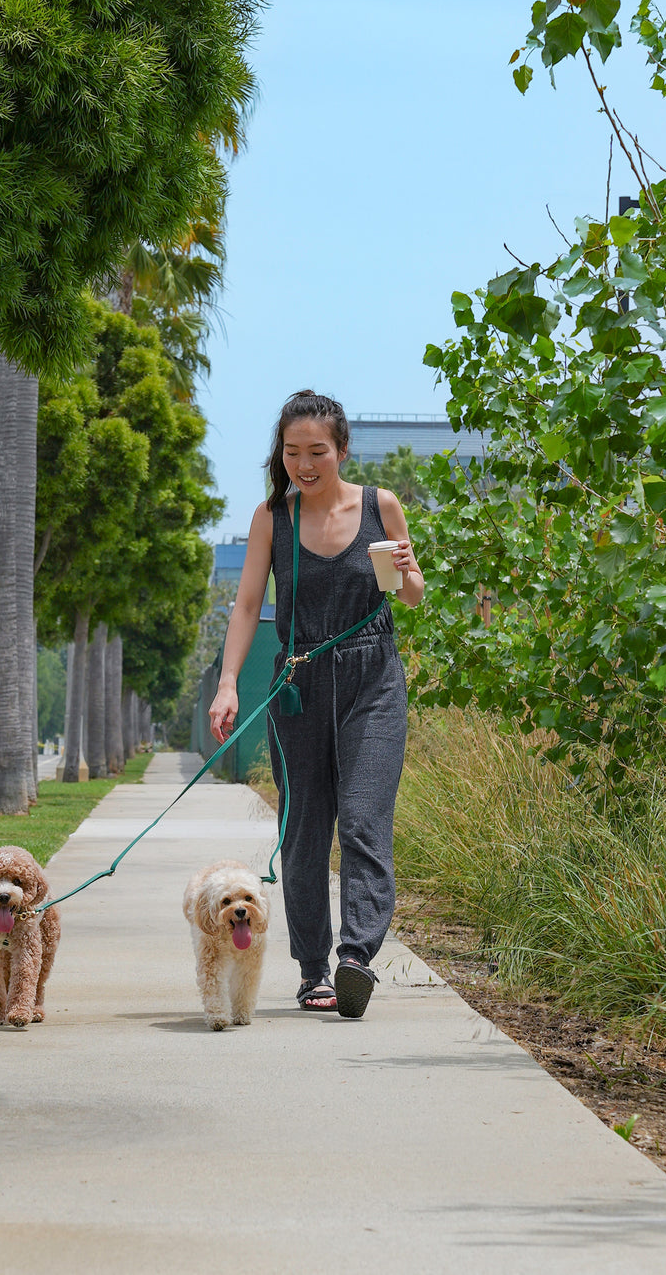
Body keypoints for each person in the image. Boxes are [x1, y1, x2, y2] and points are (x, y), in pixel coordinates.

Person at [208, 390, 424, 1017]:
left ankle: (355, 956)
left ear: (342, 450)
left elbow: (409, 597)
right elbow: (248, 605)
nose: (305, 463)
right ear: (281, 453)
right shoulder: (271, 517)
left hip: (373, 681)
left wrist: (409, 570)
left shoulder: (382, 508)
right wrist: (228, 683)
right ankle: (312, 970)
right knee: (304, 833)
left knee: (362, 820)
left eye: (317, 451)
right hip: (299, 684)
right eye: (292, 451)